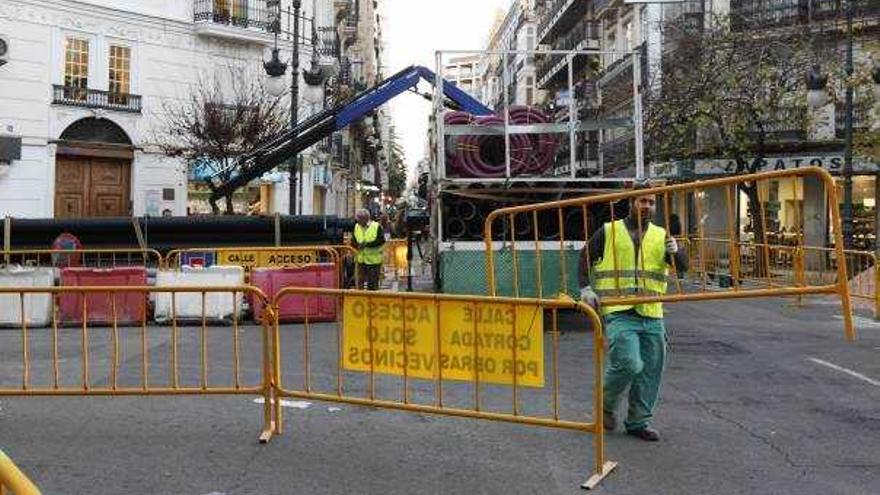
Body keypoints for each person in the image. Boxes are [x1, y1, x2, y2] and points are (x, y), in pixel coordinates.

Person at [578, 183, 688, 442]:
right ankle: (605, 406)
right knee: (628, 363)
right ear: (631, 203)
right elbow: (584, 257)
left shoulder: (661, 235)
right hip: (619, 311)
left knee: (651, 370)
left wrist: (677, 251)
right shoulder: (609, 231)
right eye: (642, 201)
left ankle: (639, 421)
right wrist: (585, 288)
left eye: (651, 202)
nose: (647, 206)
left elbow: (682, 268)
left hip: (652, 312)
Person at [351, 208, 385, 290]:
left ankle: (372, 301)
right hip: (360, 260)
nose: (358, 222)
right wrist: (356, 245)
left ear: (365, 219)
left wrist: (367, 245)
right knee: (359, 283)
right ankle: (361, 300)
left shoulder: (376, 226)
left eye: (359, 220)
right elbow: (353, 240)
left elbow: (381, 241)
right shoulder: (356, 226)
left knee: (372, 284)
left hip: (374, 261)